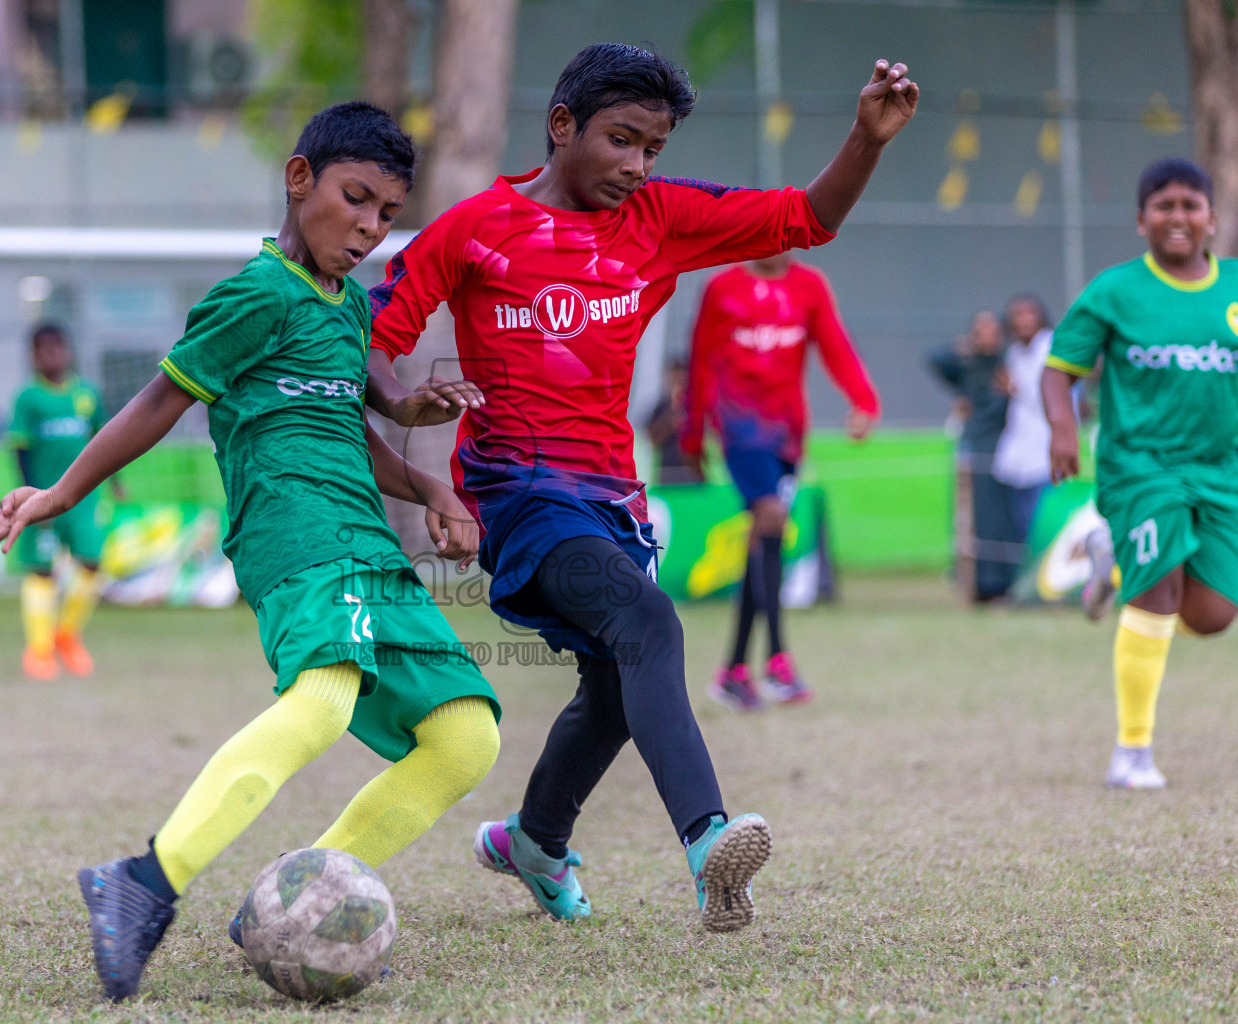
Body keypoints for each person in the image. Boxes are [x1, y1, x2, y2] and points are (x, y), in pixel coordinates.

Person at [0, 102, 502, 1000]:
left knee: (465, 738)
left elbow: (354, 421)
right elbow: (158, 404)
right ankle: (142, 881)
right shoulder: (255, 293)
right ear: (300, 180)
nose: (368, 227)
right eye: (354, 199)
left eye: (386, 214)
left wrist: (431, 480)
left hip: (366, 542)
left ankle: (294, 904)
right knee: (324, 702)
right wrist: (59, 494)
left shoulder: (349, 306)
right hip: (291, 532)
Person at [364, 43, 918, 932]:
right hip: (518, 495)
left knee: (619, 688)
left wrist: (867, 138)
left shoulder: (661, 218)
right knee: (649, 624)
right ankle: (708, 846)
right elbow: (379, 334)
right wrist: (409, 413)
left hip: (612, 500)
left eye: (652, 149)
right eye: (621, 140)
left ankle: (534, 841)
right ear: (561, 127)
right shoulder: (473, 229)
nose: (636, 165)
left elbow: (808, 219)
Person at [1042, 157, 1238, 790]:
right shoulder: (1114, 291)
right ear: (1142, 221)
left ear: (1212, 218)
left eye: (1191, 205)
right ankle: (1132, 752)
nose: (1178, 217)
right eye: (1164, 206)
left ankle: (1109, 557)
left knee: (1213, 615)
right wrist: (1062, 428)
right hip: (1140, 468)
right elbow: (1059, 371)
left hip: (1217, 471)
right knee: (1158, 592)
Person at [680, 252, 879, 711]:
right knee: (770, 516)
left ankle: (733, 671)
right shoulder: (722, 288)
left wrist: (863, 400)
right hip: (738, 425)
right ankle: (777, 659)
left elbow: (834, 345)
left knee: (764, 537)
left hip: (787, 434)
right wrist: (692, 436)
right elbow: (700, 361)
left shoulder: (809, 286)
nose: (780, 242)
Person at [5, 324, 120, 680]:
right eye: (44, 350)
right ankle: (39, 650)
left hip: (85, 499)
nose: (52, 356)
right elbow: (19, 449)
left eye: (58, 348)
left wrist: (116, 481)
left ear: (68, 352)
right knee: (42, 570)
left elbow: (107, 439)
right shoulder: (29, 399)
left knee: (92, 562)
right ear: (33, 356)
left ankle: (66, 634)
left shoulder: (87, 395)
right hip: (44, 501)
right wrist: (29, 497)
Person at [928, 311, 1017, 601]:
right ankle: (976, 583)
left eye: (993, 330)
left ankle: (1003, 582)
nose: (988, 336)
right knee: (973, 517)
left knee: (1001, 519)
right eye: (981, 331)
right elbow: (935, 359)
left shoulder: (1009, 364)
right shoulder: (968, 367)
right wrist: (963, 346)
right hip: (975, 448)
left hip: (1006, 449)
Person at [992, 295, 1054, 541]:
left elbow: (1054, 401)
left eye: (1029, 313)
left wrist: (1015, 388)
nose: (1023, 320)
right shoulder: (1016, 352)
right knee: (1022, 525)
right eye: (1017, 315)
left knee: (1042, 524)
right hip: (1019, 455)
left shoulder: (1052, 349)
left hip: (1046, 453)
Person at [645, 361, 704, 485]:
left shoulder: (697, 406)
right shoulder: (661, 407)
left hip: (695, 475)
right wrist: (672, 412)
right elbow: (652, 439)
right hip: (667, 474)